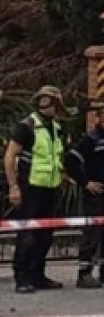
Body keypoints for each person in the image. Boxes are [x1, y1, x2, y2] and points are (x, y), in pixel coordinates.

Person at [4, 86, 69, 294]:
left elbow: (56, 156)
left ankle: (38, 275)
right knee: (27, 235)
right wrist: (13, 186)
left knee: (45, 234)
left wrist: (64, 175)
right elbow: (9, 156)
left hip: (50, 187)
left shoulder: (57, 128)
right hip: (30, 187)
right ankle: (22, 277)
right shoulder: (27, 126)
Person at [65, 98, 104, 288]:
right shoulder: (91, 140)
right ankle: (84, 272)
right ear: (103, 120)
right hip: (96, 194)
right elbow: (71, 161)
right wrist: (85, 183)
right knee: (92, 232)